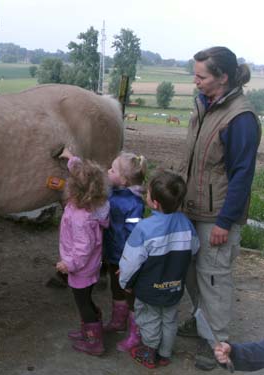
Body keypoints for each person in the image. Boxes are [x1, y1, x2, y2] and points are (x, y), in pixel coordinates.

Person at [176, 46, 262, 371]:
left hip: (217, 216)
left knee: (213, 278)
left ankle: (215, 341)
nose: (195, 81)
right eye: (195, 74)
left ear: (223, 78)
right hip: (192, 207)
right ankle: (202, 323)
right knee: (189, 273)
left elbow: (242, 175)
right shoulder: (204, 104)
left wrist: (225, 222)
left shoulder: (241, 118)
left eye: (202, 76)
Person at [119, 170, 200, 369]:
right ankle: (165, 353)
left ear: (155, 203)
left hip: (149, 289)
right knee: (170, 319)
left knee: (149, 319)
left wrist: (125, 282)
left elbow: (131, 260)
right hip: (174, 287)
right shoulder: (186, 223)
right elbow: (195, 247)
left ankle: (149, 351)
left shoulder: (144, 228)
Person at [56, 147, 110, 356]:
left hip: (81, 268)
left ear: (75, 190)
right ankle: (90, 330)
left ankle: (94, 341)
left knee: (83, 302)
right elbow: (82, 173)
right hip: (91, 266)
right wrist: (71, 158)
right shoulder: (96, 204)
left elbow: (83, 248)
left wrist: (68, 264)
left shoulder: (80, 217)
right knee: (86, 298)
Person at [102, 152, 147, 353]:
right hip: (112, 252)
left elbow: (135, 235)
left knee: (130, 293)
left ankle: (135, 333)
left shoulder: (134, 203)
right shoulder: (113, 193)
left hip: (126, 257)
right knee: (116, 287)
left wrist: (129, 263)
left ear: (123, 179)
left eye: (112, 170)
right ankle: (118, 321)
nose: (107, 172)